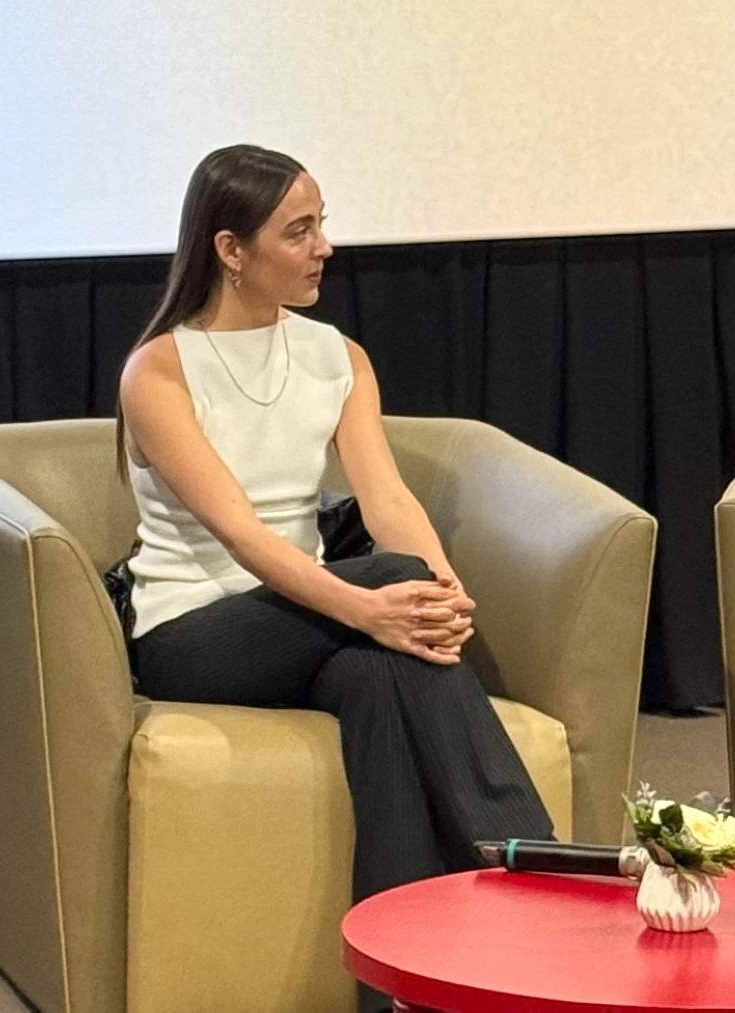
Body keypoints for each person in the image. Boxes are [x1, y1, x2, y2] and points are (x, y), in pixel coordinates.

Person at [117, 144, 553, 1013]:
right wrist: (371, 603)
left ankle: (401, 988)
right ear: (231, 249)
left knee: (377, 675)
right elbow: (241, 534)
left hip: (309, 621)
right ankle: (531, 868)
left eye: (323, 225)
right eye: (299, 230)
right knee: (385, 599)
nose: (324, 247)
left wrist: (440, 590)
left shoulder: (337, 355)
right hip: (193, 633)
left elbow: (386, 498)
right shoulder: (158, 370)